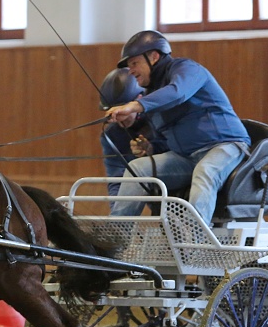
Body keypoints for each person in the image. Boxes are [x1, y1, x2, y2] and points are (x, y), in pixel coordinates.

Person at [104, 30, 250, 224]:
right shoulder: (152, 93)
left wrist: (134, 105)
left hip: (226, 145)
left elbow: (177, 93)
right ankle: (115, 238)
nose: (130, 71)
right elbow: (165, 137)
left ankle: (194, 242)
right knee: (136, 168)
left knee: (205, 171)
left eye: (134, 63)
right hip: (187, 157)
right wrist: (151, 148)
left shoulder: (187, 69)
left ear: (154, 57)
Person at [98, 68, 168, 197]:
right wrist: (118, 216)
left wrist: (152, 149)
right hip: (151, 193)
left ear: (139, 100)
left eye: (122, 112)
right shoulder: (111, 135)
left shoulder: (161, 118)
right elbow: (116, 180)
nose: (119, 118)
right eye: (113, 114)